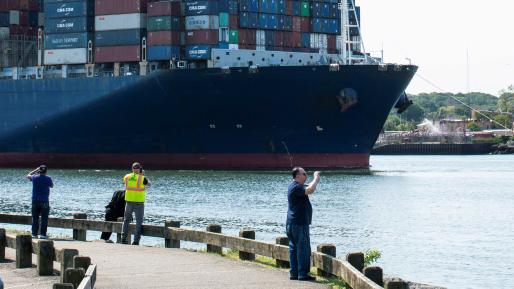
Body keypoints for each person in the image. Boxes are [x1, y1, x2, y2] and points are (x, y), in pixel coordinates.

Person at [286, 167, 320, 281]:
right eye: (304, 174)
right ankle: (302, 274)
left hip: (291, 223)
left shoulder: (294, 186)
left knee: (294, 248)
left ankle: (294, 273)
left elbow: (308, 187)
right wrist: (316, 178)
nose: (306, 175)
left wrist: (313, 181)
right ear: (297, 176)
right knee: (303, 248)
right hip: (299, 224)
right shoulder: (296, 187)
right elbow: (310, 190)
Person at [121, 162, 150, 245]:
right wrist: (143, 175)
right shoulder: (142, 178)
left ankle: (123, 239)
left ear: (132, 169)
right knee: (138, 221)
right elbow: (149, 184)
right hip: (139, 202)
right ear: (139, 169)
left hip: (129, 201)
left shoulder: (127, 176)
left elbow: (127, 183)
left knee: (126, 220)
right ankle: (136, 241)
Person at [26, 165, 54, 239]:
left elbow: (28, 175)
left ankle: (34, 234)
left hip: (35, 200)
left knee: (35, 218)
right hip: (44, 201)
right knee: (44, 218)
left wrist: (35, 169)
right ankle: (43, 234)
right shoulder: (48, 178)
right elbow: (52, 186)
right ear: (46, 171)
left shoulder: (34, 177)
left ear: (39, 171)